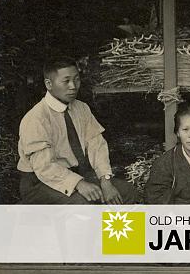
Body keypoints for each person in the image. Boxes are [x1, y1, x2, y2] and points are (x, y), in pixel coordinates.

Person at [18, 57, 136, 204]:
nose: (73, 86)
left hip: (77, 174)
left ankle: (111, 221)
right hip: (39, 182)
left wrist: (105, 180)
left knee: (126, 192)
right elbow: (44, 167)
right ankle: (95, 220)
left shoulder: (82, 108)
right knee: (82, 204)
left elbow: (96, 145)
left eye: (76, 79)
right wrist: (78, 183)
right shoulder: (36, 118)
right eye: (66, 81)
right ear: (49, 84)